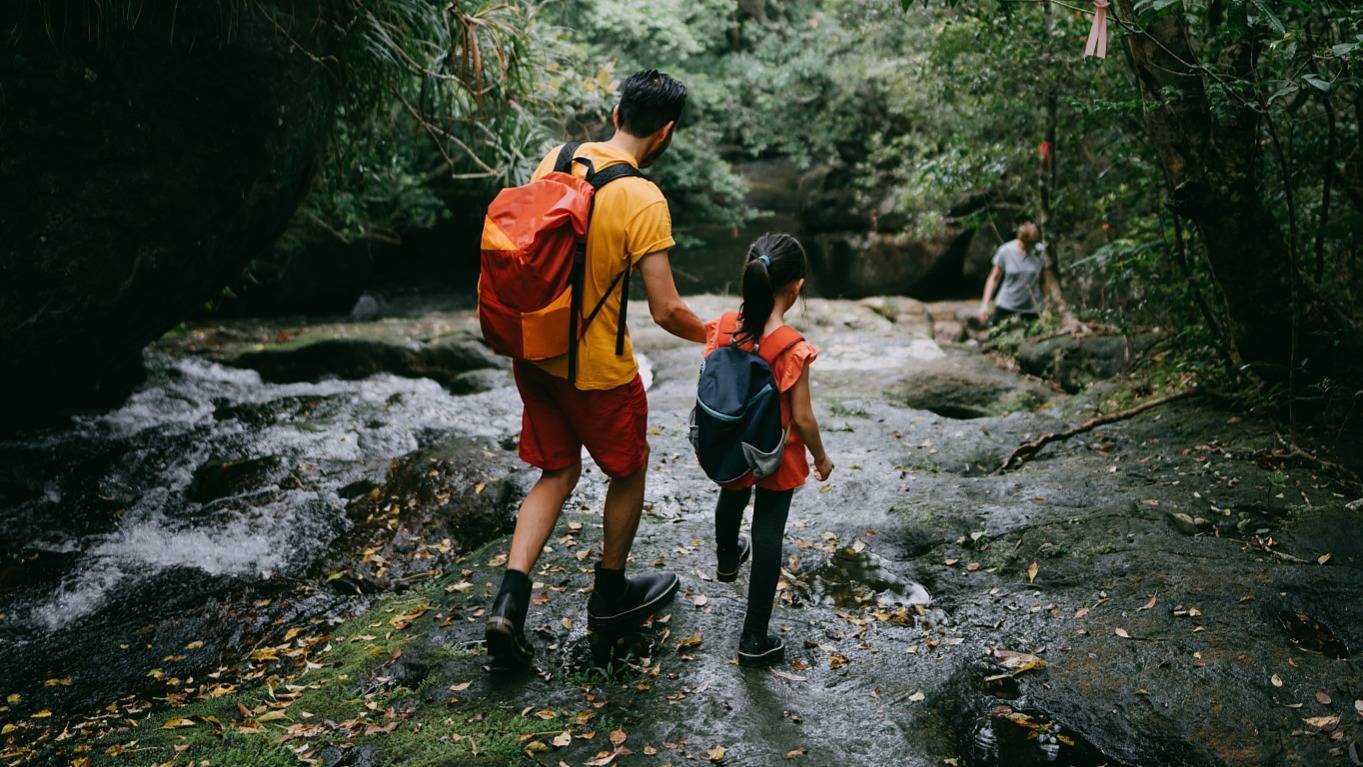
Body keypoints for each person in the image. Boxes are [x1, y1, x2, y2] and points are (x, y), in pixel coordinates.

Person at [485, 70, 708, 669]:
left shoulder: (554, 158)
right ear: (665, 134)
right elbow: (665, 309)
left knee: (556, 471)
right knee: (628, 471)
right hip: (598, 373)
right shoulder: (644, 198)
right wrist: (713, 333)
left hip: (534, 352)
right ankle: (609, 596)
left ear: (615, 113)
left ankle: (510, 600)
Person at [703, 233, 833, 667]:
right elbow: (804, 417)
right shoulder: (792, 346)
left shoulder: (724, 327)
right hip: (776, 453)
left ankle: (726, 560)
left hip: (733, 446)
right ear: (795, 288)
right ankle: (754, 638)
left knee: (732, 494)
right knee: (768, 533)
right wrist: (821, 457)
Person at [976, 222, 1081, 330]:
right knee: (996, 336)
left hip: (1032, 307)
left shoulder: (1041, 251)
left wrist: (1046, 306)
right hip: (1006, 304)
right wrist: (985, 304)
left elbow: (1044, 281)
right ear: (1021, 239)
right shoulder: (1006, 251)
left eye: (1033, 243)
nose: (1030, 247)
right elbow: (993, 278)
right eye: (1028, 243)